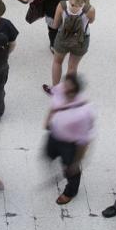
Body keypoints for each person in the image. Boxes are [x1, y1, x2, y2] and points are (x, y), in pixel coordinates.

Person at [43, 74, 94, 205]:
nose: (63, 88)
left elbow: (84, 141)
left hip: (70, 144)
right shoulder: (60, 89)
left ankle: (70, 191)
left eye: (67, 87)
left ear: (74, 91)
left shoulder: (83, 112)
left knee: (71, 170)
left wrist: (77, 162)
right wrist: (48, 120)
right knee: (48, 154)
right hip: (54, 135)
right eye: (64, 85)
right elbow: (54, 106)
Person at [48, 0, 94, 86]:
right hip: (81, 40)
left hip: (63, 38)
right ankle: (67, 93)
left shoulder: (62, 5)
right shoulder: (90, 9)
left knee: (57, 62)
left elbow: (55, 25)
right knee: (73, 67)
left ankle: (55, 89)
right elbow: (91, 22)